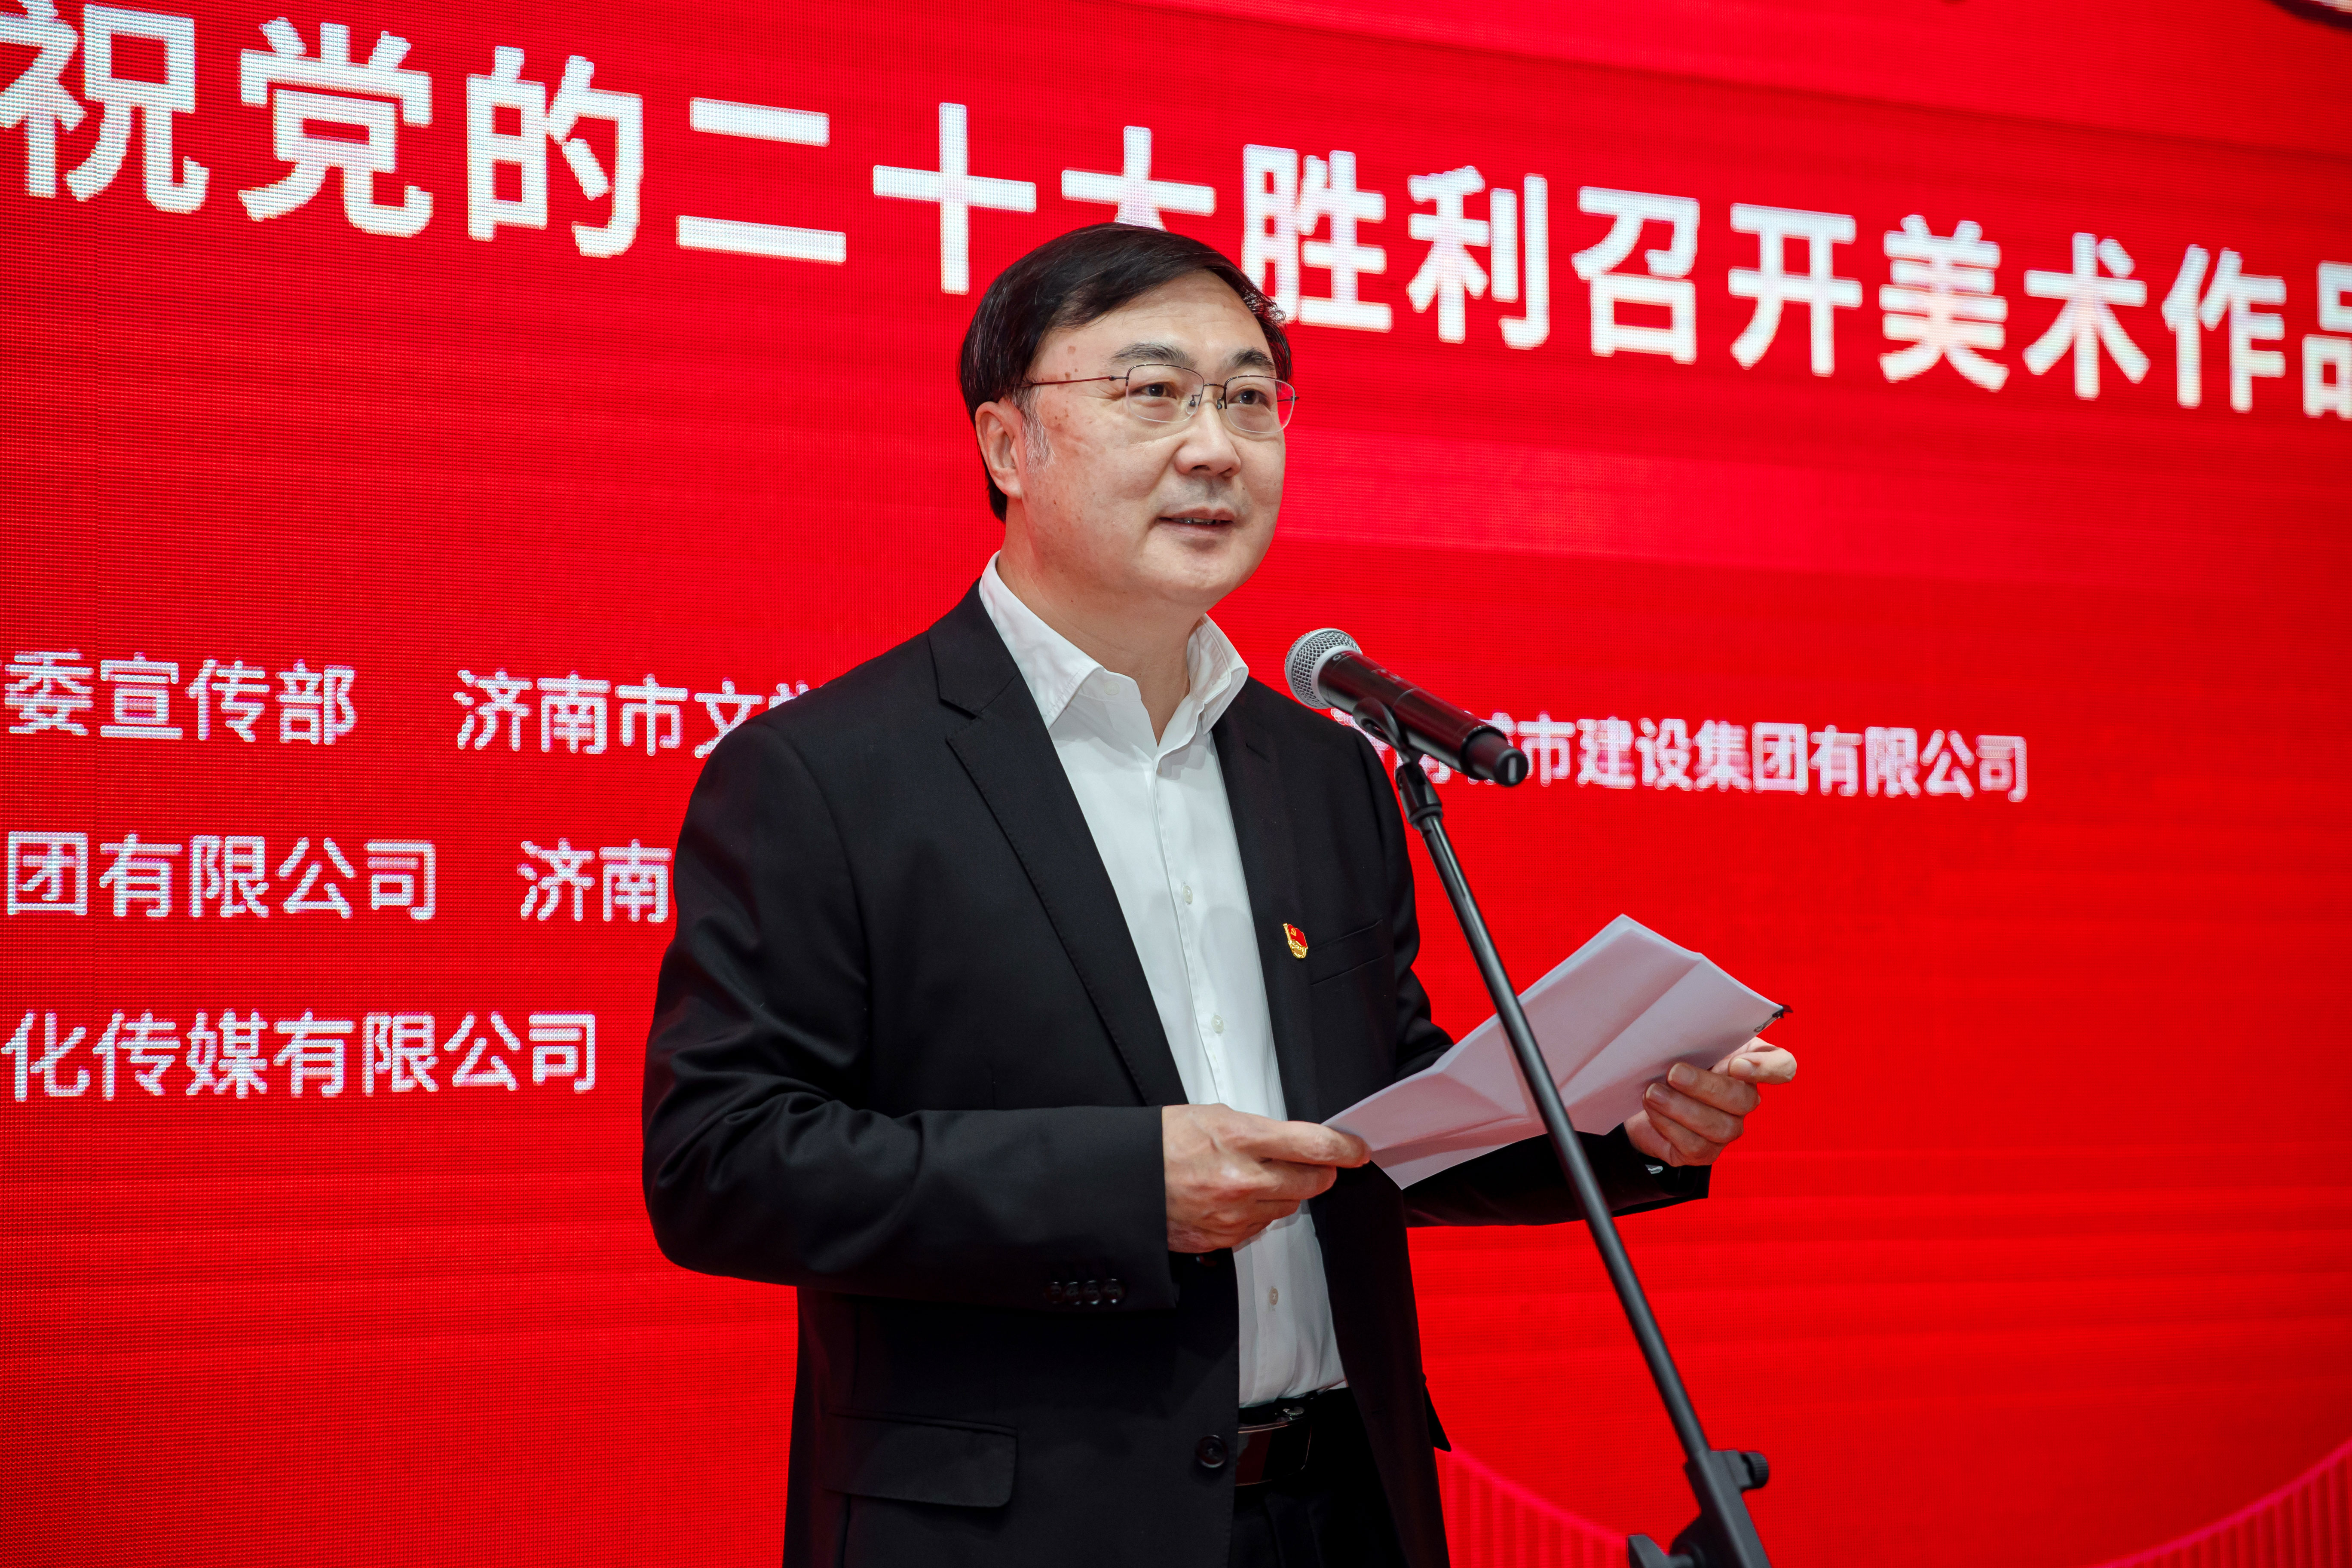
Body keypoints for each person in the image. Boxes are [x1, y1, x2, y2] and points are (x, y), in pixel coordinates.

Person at [640, 222, 1798, 1568]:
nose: (1215, 447)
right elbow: (722, 1165)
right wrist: (1127, 1186)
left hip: (1342, 1512)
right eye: (1154, 391)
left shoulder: (1324, 769)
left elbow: (1383, 1129)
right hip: (1020, 1535)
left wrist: (1632, 1129)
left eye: (1251, 399)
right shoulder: (829, 773)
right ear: (1008, 445)